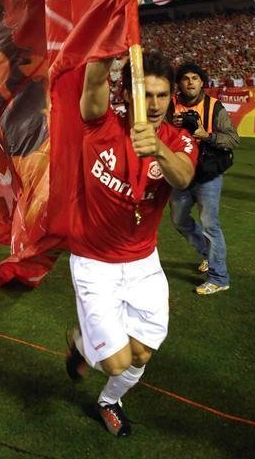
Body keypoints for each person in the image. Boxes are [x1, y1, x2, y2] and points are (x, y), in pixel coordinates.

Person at [65, 43, 198, 438]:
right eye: (146, 94)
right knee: (118, 361)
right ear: (126, 94)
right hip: (95, 263)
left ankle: (108, 401)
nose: (154, 104)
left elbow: (184, 177)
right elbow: (92, 82)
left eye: (161, 95)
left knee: (142, 353)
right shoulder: (98, 125)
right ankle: (85, 341)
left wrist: (156, 147)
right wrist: (109, 30)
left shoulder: (178, 139)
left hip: (143, 263)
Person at [170, 62, 239, 295]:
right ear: (178, 83)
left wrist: (204, 135)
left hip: (207, 174)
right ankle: (206, 255)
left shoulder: (214, 106)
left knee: (211, 225)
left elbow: (232, 139)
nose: (190, 82)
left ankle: (219, 278)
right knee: (179, 220)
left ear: (202, 82)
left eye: (195, 78)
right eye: (186, 78)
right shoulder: (171, 106)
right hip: (180, 172)